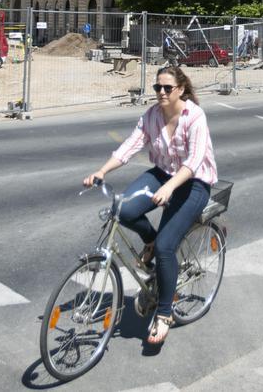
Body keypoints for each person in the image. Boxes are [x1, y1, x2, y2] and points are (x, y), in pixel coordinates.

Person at [83, 66, 216, 346]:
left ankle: (165, 312)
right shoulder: (152, 115)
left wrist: (170, 188)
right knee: (122, 210)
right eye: (158, 88)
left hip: (194, 182)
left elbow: (193, 161)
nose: (162, 93)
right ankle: (150, 241)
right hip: (163, 173)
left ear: (180, 89)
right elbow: (129, 146)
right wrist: (102, 171)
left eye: (168, 88)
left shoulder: (195, 117)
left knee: (168, 246)